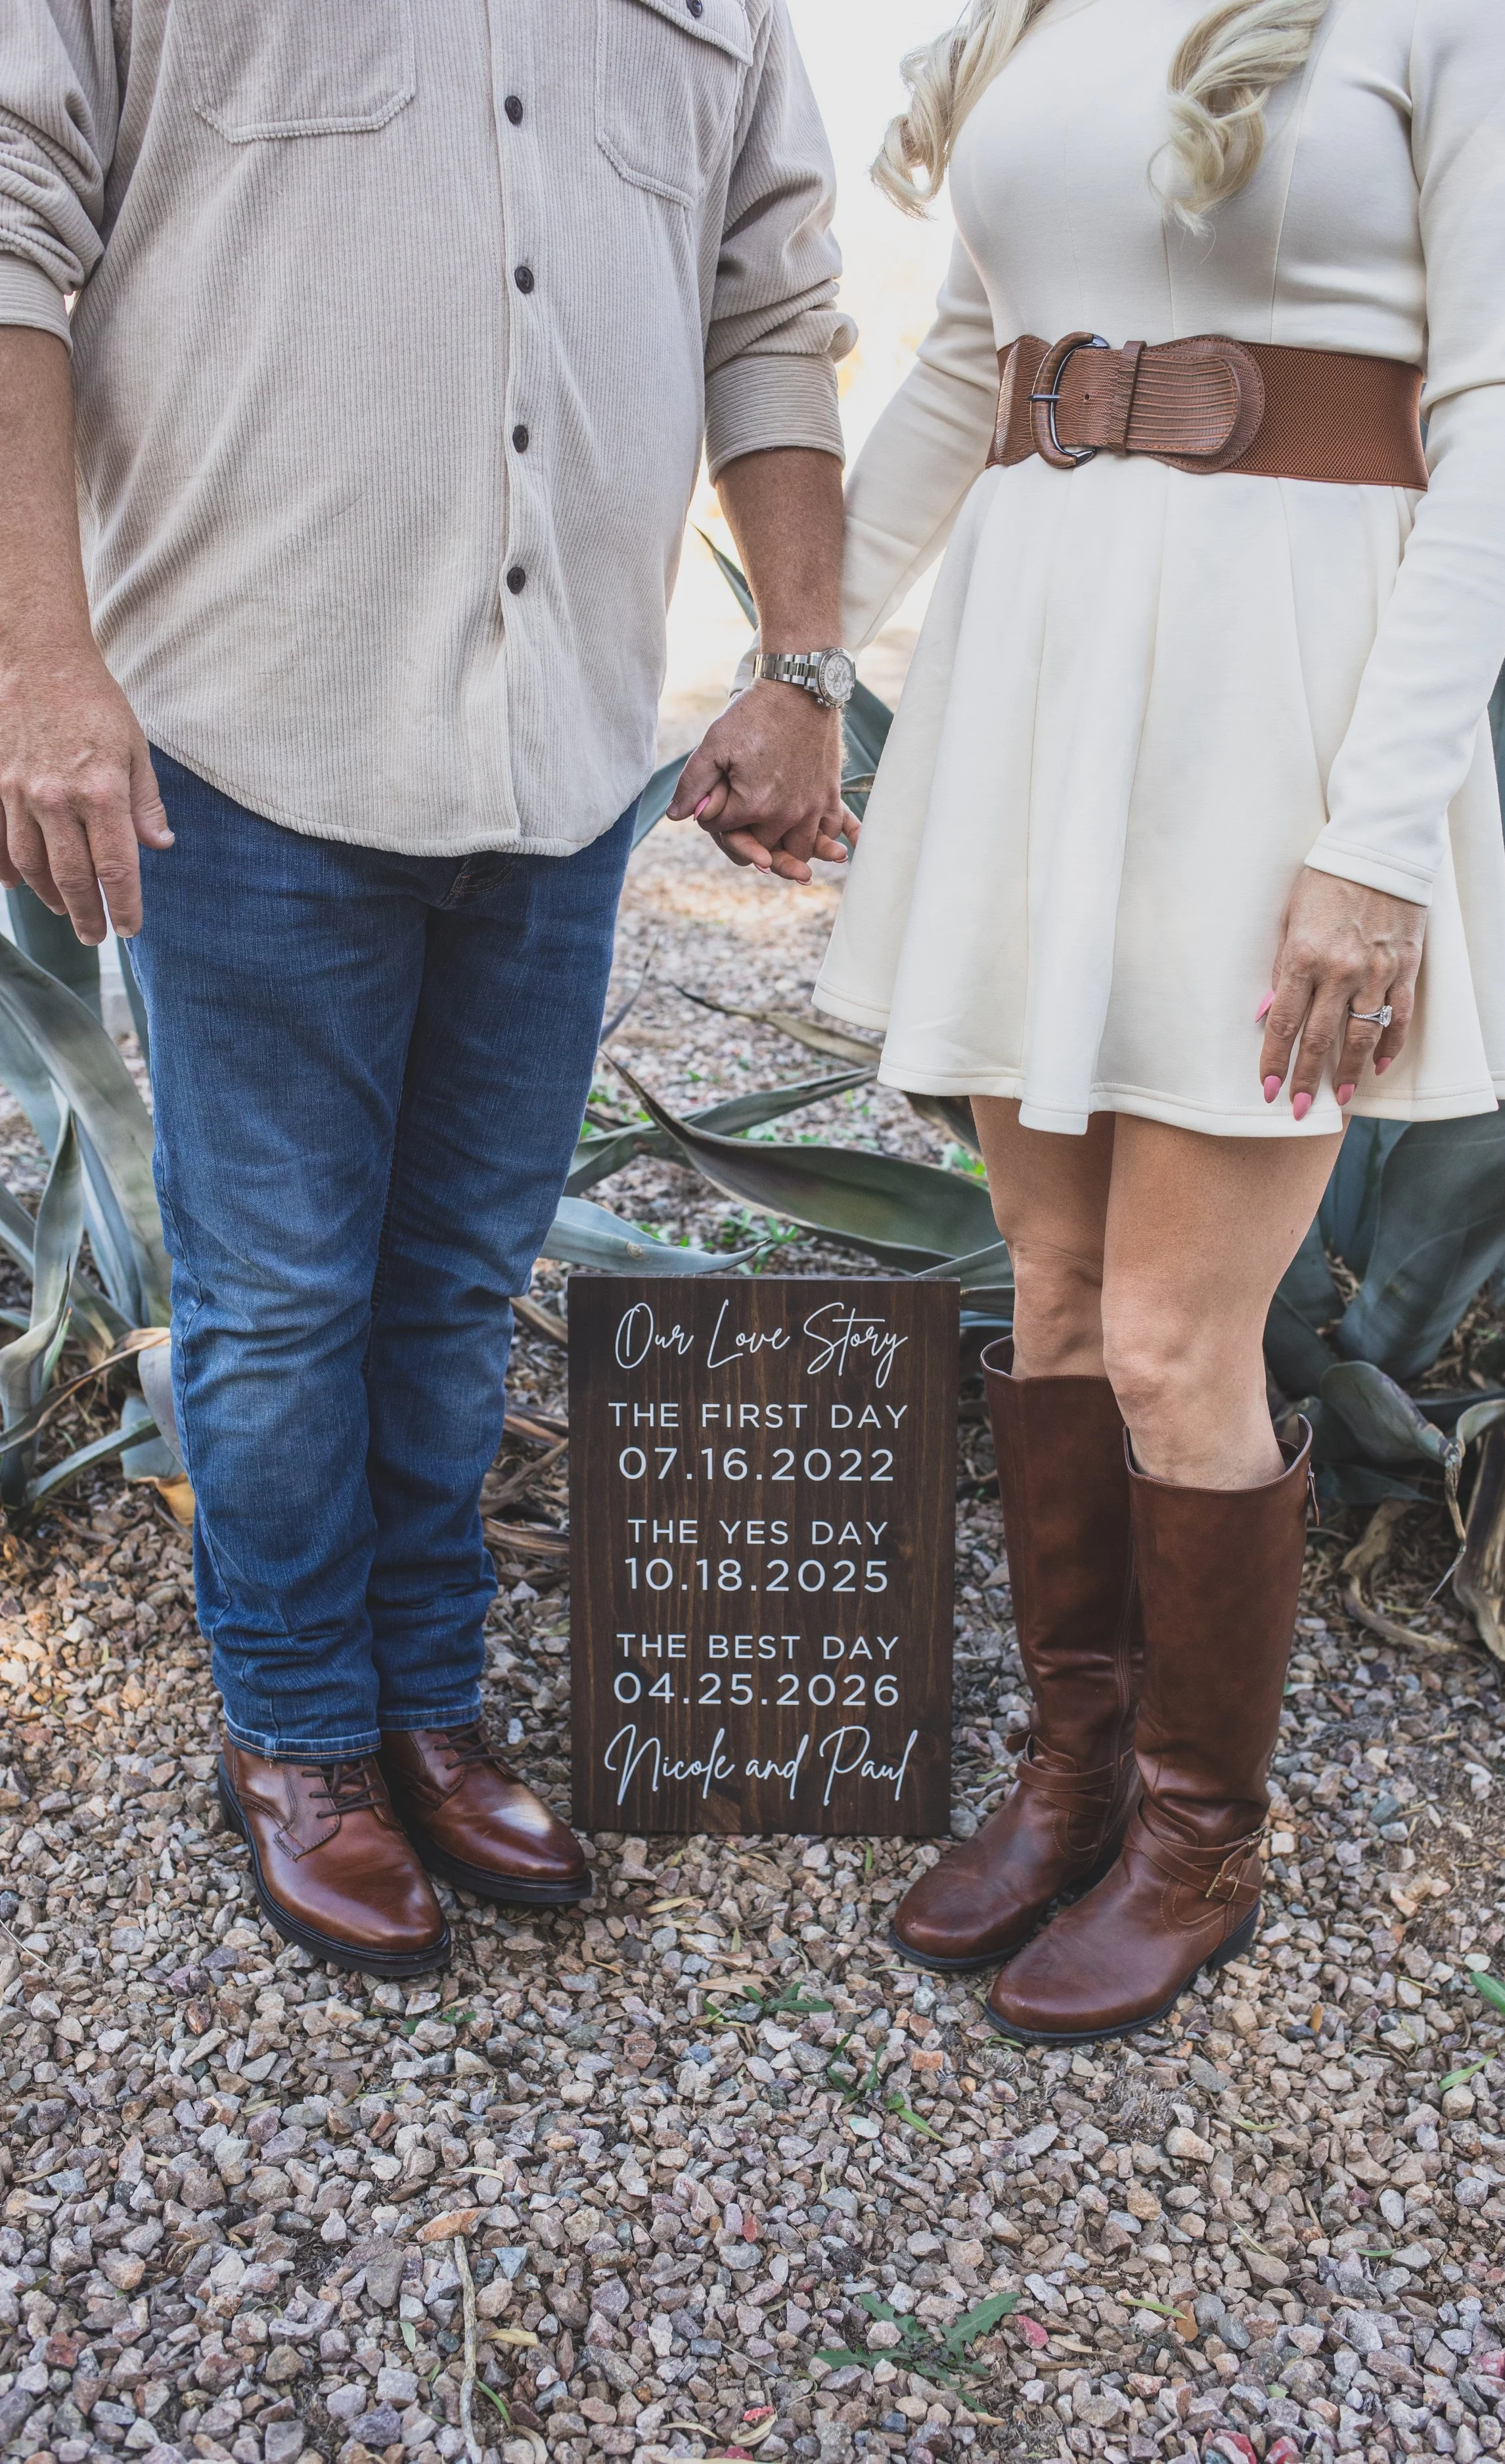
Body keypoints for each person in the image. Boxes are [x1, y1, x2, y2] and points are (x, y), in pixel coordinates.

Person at [0, 0, 858, 1977]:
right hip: (249, 731)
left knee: (459, 1276)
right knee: (284, 1294)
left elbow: (772, 303)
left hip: (561, 767)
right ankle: (297, 1727)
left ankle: (424, 1695)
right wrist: (41, 661)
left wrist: (802, 661)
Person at [801, 0, 1505, 2042]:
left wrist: (1377, 840)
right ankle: (1070, 1772)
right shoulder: (1030, 15)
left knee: (1173, 1334)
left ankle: (1194, 1835)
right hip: (1034, 707)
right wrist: (797, 667)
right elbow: (969, 370)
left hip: (1288, 714)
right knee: (1053, 1296)